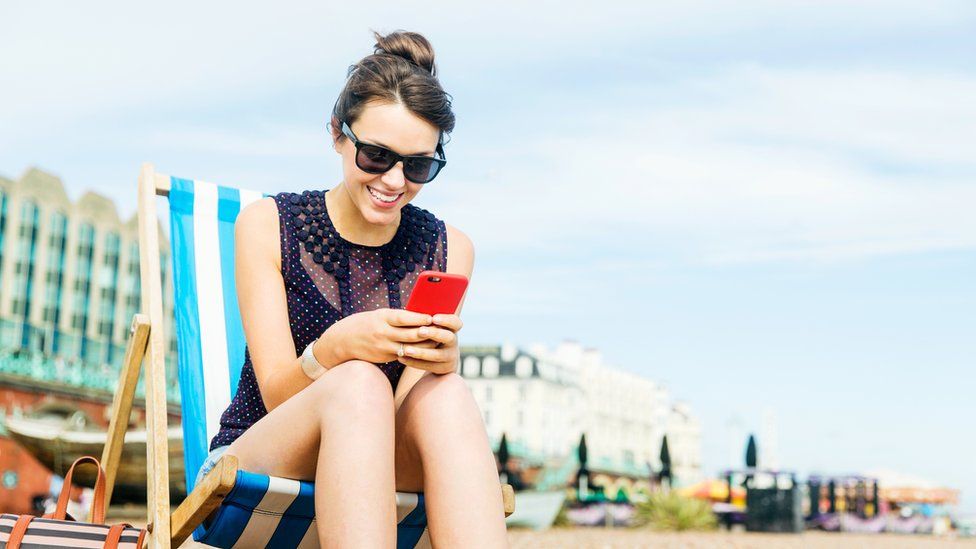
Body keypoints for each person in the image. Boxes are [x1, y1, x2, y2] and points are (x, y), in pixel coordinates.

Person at [192, 30, 508, 547]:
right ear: (338, 134)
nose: (394, 181)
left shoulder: (449, 247)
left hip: (376, 472)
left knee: (445, 393)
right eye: (376, 156)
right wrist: (337, 350)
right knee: (359, 383)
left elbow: (414, 403)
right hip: (258, 468)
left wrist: (435, 363)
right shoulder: (269, 224)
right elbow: (274, 394)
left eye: (419, 165)